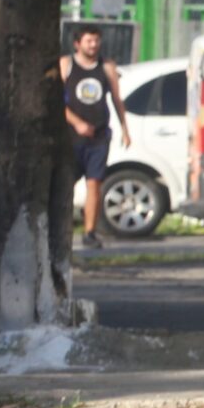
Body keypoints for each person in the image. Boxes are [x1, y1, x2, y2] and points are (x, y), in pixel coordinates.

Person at [59, 25, 130, 249]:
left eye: (97, 41)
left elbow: (117, 99)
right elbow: (56, 101)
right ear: (77, 44)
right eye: (89, 41)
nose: (94, 45)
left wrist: (125, 129)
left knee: (94, 184)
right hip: (71, 137)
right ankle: (62, 229)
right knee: (65, 184)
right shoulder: (66, 65)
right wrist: (77, 123)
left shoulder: (106, 67)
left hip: (98, 137)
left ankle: (90, 231)